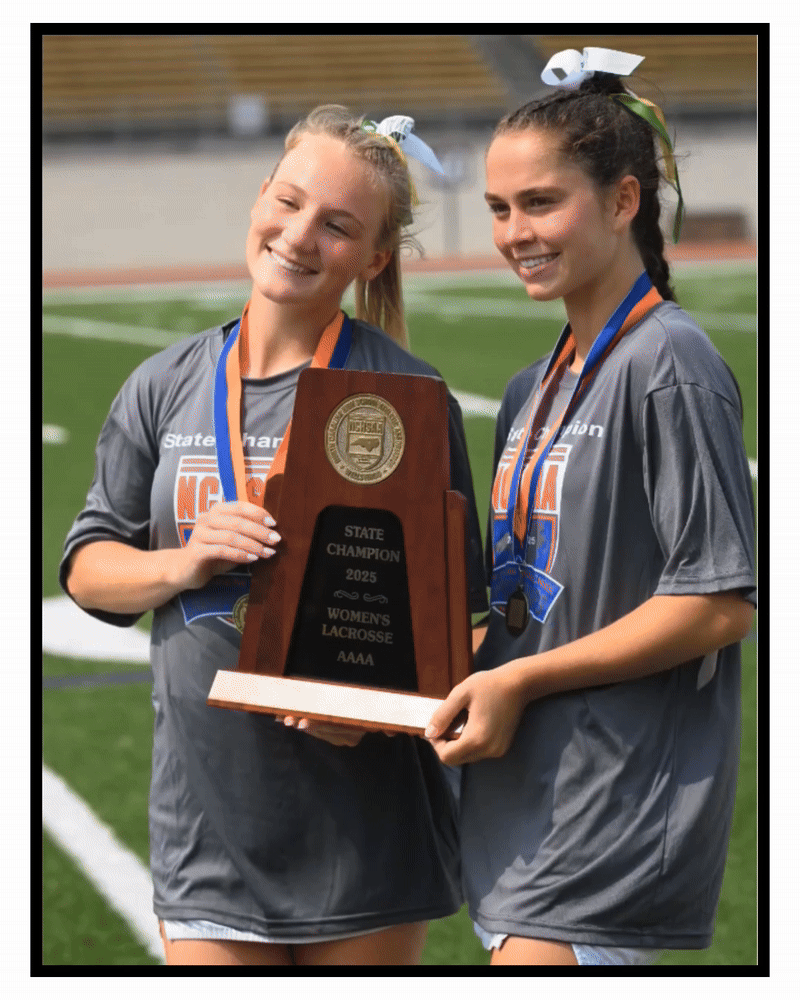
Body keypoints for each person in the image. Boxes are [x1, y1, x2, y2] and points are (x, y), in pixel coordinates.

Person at [60, 105, 488, 966]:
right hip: (206, 821)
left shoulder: (407, 398)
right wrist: (183, 562)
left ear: (373, 258)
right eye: (288, 202)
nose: (298, 235)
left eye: (337, 226)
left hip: (365, 833)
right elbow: (88, 569)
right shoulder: (163, 382)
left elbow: (463, 630)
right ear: (260, 196)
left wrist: (375, 712)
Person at [425, 47, 757, 967]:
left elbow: (719, 602)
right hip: (523, 795)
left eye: (541, 202)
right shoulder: (531, 385)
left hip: (613, 805)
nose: (514, 232)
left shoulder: (670, 363)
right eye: (499, 208)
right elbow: (518, 608)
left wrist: (521, 682)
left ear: (622, 201)